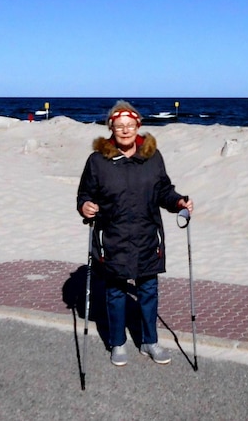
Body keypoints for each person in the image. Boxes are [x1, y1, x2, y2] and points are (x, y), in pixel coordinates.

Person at [77, 100, 194, 366]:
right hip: (113, 239)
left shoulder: (152, 157)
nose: (125, 130)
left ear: (138, 126)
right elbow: (84, 194)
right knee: (116, 292)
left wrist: (179, 202)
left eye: (130, 125)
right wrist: (85, 206)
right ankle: (117, 343)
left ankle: (149, 342)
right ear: (111, 128)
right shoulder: (98, 161)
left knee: (149, 290)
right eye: (120, 126)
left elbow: (164, 190)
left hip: (147, 237)